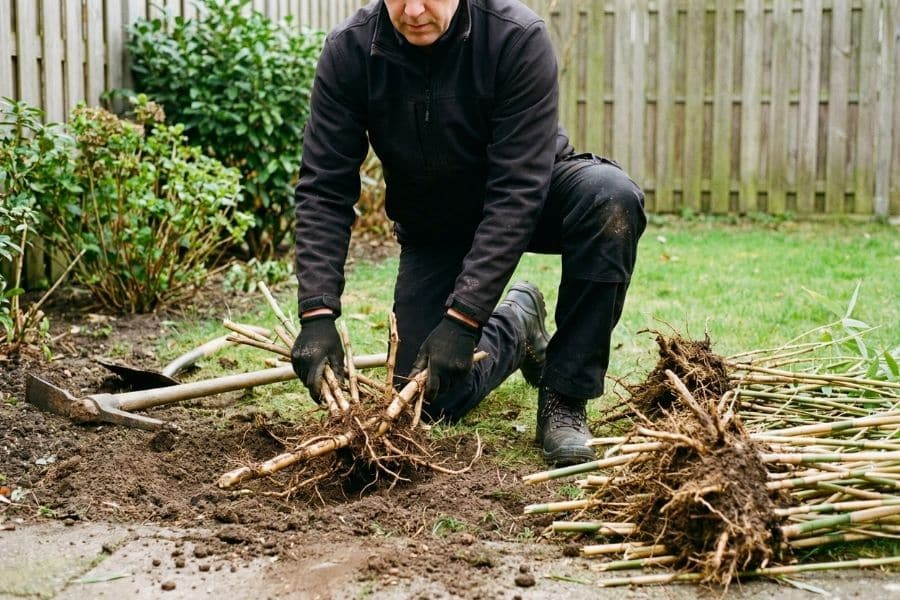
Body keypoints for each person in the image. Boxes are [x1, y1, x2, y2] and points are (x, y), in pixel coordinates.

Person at [291, 0, 646, 466]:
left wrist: (463, 319)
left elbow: (518, 189)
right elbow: (323, 187)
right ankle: (517, 324)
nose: (414, 10)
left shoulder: (515, 38)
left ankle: (565, 398)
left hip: (534, 196)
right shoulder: (351, 52)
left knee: (610, 199)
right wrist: (317, 313)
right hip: (436, 224)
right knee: (428, 402)